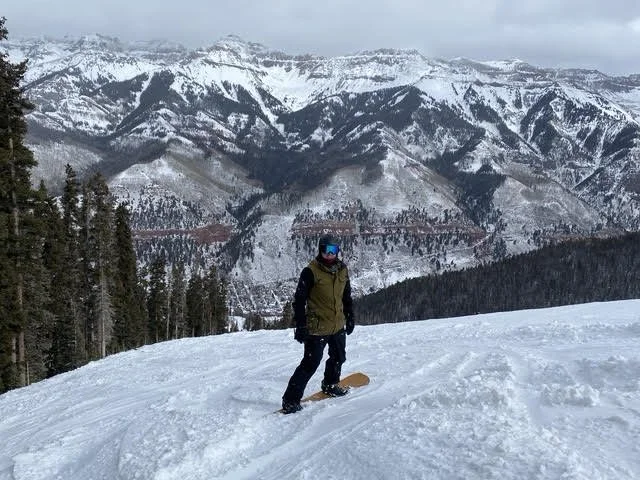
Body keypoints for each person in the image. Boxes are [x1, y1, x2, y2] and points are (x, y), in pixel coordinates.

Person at [281, 234, 355, 414]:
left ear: (338, 251)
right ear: (320, 250)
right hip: (317, 327)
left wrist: (350, 315)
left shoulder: (342, 270)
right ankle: (290, 400)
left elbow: (346, 296)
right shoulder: (310, 271)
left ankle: (330, 384)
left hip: (337, 325)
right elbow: (299, 300)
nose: (330, 254)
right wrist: (301, 325)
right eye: (326, 250)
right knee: (310, 363)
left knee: (338, 357)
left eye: (333, 250)